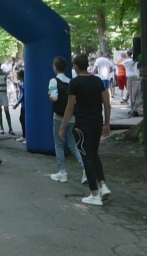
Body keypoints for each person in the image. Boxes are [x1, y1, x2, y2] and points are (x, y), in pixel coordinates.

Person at [60, 55, 112, 206]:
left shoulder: (75, 83)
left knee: (87, 157)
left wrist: (63, 126)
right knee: (94, 154)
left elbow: (70, 107)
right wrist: (107, 123)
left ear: (76, 66)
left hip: (83, 124)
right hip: (97, 122)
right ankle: (102, 185)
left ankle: (94, 193)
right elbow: (107, 103)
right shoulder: (97, 81)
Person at [48, 57, 85, 184]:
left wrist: (49, 94)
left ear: (55, 67)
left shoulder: (53, 81)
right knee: (74, 145)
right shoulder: (71, 82)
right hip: (72, 117)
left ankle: (62, 172)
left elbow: (54, 97)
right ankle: (85, 169)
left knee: (59, 144)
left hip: (59, 117)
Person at [0, 60, 14, 136]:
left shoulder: (5, 74)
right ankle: (1, 127)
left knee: (6, 109)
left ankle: (10, 128)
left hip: (4, 93)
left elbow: (10, 80)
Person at [13, 69, 26, 143]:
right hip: (23, 104)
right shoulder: (22, 83)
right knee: (22, 119)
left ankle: (25, 136)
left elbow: (22, 95)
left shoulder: (22, 84)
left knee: (23, 119)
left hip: (24, 105)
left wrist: (16, 103)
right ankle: (24, 135)